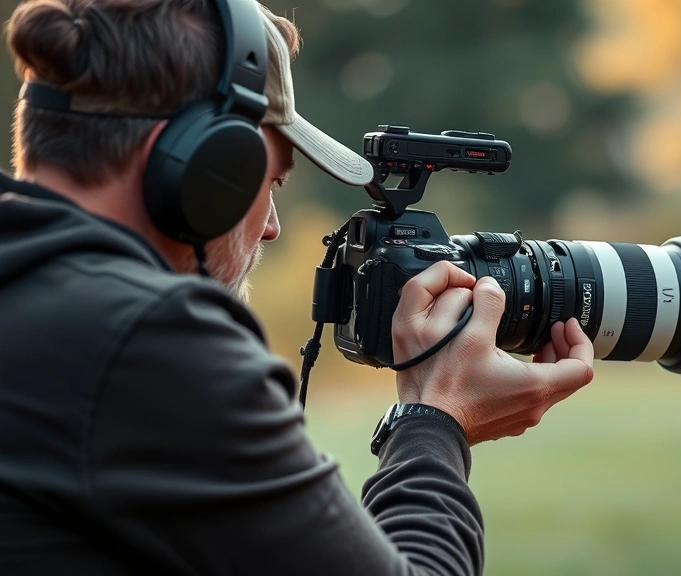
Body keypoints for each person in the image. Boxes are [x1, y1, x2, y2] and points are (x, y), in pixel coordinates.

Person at [0, 0, 595, 574]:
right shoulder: (142, 341)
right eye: (272, 184)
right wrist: (435, 420)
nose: (272, 227)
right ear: (196, 170)